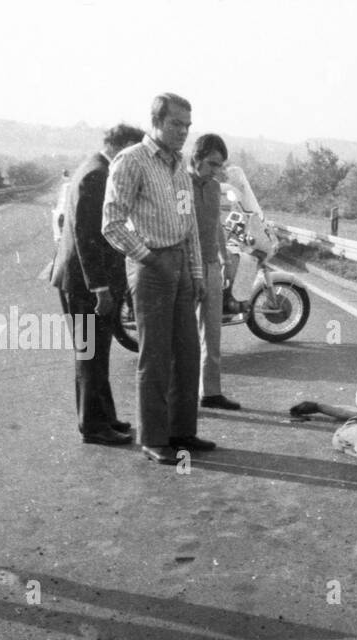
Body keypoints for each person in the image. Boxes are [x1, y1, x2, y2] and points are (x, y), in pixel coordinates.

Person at [103, 93, 212, 465]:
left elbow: (188, 224)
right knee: (156, 355)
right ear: (156, 122)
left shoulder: (179, 166)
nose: (183, 131)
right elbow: (112, 224)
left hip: (181, 263)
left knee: (188, 352)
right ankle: (153, 438)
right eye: (175, 124)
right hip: (150, 265)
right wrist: (149, 259)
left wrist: (196, 273)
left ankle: (182, 432)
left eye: (187, 125)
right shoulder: (131, 160)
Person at [50, 123, 145, 446]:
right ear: (121, 146)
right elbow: (86, 237)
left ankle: (104, 417)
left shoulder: (97, 169)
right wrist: (100, 289)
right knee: (91, 354)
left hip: (85, 282)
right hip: (86, 285)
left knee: (97, 353)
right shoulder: (97, 175)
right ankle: (93, 426)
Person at [189, 133, 241, 412]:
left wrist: (225, 258)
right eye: (211, 164)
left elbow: (216, 224)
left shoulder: (213, 187)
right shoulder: (179, 185)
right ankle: (182, 399)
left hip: (210, 267)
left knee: (212, 334)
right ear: (196, 158)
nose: (216, 170)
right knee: (184, 338)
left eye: (220, 165)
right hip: (186, 268)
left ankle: (210, 393)